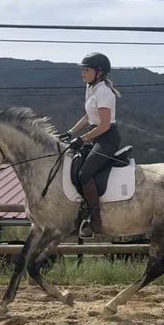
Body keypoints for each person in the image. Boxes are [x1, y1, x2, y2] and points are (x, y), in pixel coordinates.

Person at [64, 52, 121, 237]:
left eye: (86, 69)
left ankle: (95, 221)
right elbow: (89, 116)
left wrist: (83, 138)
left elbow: (104, 125)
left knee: (85, 173)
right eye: (83, 69)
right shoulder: (91, 89)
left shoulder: (104, 92)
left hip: (107, 138)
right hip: (95, 135)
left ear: (99, 72)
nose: (83, 72)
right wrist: (71, 132)